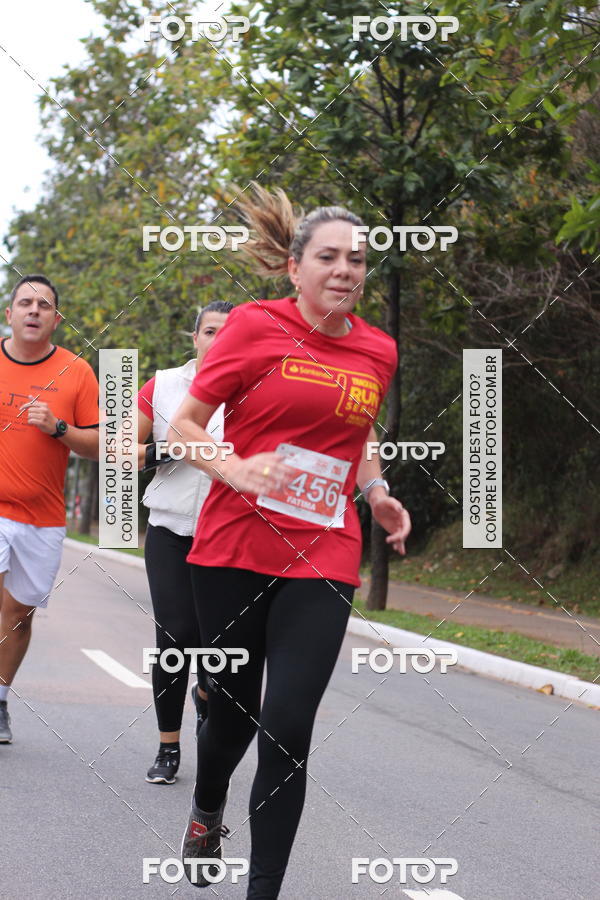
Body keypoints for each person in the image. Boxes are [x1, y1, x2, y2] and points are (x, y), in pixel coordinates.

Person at [169, 186, 412, 897]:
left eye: (357, 260)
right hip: (234, 547)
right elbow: (184, 425)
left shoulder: (378, 348)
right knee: (232, 713)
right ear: (295, 267)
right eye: (330, 257)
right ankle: (207, 805)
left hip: (326, 548)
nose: (345, 270)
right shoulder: (251, 327)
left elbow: (358, 431)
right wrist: (235, 468)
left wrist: (376, 492)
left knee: (287, 727)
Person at [136, 301, 233, 784]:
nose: (218, 340)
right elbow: (122, 450)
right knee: (175, 636)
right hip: (171, 530)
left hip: (228, 535)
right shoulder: (164, 385)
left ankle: (206, 697)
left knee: (218, 645)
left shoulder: (254, 390)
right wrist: (168, 448)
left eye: (228, 333)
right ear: (194, 337)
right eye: (210, 331)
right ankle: (168, 747)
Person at [0, 274, 99, 744]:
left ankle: (0, 699)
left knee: (19, 613)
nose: (33, 311)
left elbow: (99, 444)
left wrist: (59, 428)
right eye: (25, 303)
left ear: (56, 320)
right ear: (10, 314)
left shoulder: (77, 371)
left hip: (42, 516)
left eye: (44, 305)